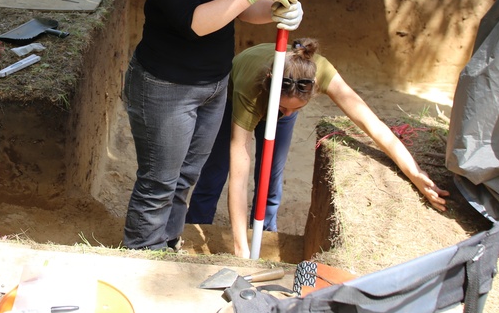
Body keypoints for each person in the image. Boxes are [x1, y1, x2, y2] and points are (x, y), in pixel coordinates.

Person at [122, 0, 304, 251]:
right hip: (166, 87)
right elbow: (197, 22)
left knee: (187, 178)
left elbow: (243, 10)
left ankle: (166, 247)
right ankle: (139, 258)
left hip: (215, 82)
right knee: (158, 183)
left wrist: (277, 8)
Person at [187, 38, 450, 258]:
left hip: (277, 93)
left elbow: (372, 123)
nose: (286, 113)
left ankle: (266, 235)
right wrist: (240, 250)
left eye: (295, 108)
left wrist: (414, 172)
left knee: (270, 179)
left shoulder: (320, 72)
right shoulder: (252, 89)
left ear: (311, 91)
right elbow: (240, 164)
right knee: (216, 171)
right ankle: (195, 229)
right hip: (236, 94)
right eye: (283, 107)